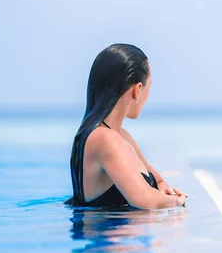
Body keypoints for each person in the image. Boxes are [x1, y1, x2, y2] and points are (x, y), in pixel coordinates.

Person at [66, 43, 187, 209]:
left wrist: (167, 192)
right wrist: (177, 201)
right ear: (137, 90)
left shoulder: (122, 136)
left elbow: (158, 181)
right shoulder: (104, 139)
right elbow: (145, 200)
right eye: (149, 87)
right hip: (109, 234)